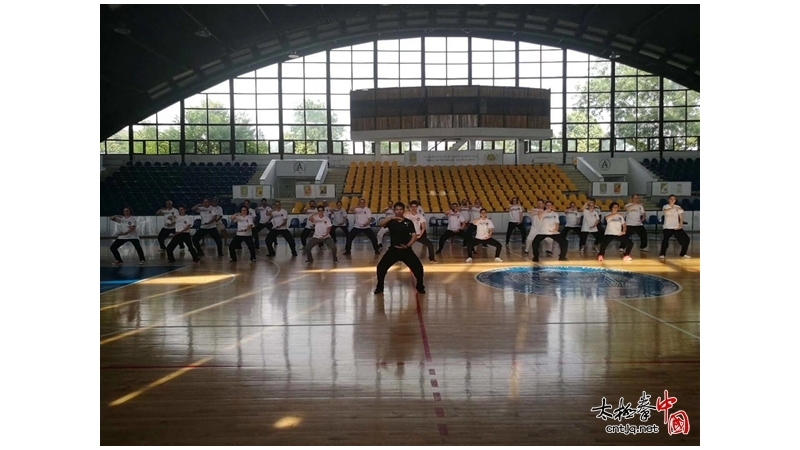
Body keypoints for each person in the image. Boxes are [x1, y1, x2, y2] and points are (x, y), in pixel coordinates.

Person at [374, 202, 425, 295]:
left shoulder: (408, 222)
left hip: (406, 250)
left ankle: (420, 286)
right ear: (394, 211)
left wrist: (407, 245)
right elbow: (380, 224)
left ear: (403, 210)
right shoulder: (391, 221)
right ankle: (380, 286)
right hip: (393, 250)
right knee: (381, 268)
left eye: (400, 209)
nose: (398, 211)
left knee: (419, 268)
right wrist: (391, 218)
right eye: (397, 210)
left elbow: (414, 236)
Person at [659, 195, 691, 259]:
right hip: (667, 227)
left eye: (674, 199)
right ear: (669, 200)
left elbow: (681, 217)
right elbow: (665, 212)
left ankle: (683, 253)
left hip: (676, 227)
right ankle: (662, 254)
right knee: (665, 241)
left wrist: (680, 225)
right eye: (671, 199)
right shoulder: (665, 206)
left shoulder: (678, 207)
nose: (672, 200)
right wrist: (674, 208)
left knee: (686, 239)